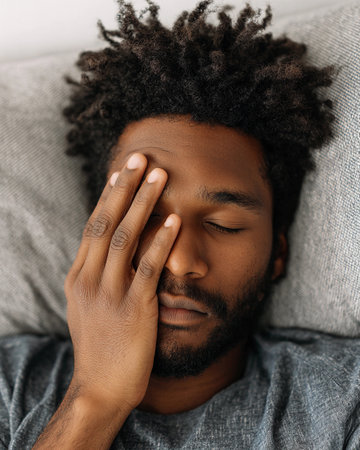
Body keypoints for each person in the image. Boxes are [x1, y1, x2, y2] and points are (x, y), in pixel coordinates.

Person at [0, 1, 359, 448]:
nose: (181, 261)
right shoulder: (7, 388)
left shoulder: (342, 402)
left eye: (225, 224)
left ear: (277, 255)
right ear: (98, 227)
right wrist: (94, 399)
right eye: (146, 217)